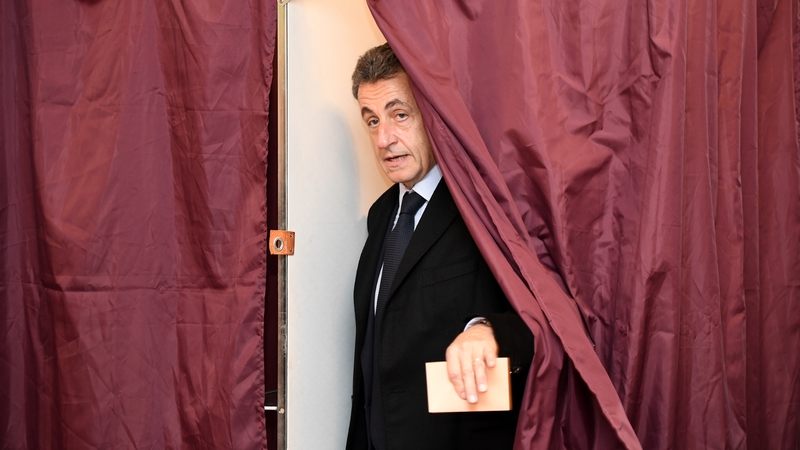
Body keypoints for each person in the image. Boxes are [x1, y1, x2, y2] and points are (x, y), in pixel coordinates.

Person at [345, 43, 535, 450]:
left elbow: (543, 321)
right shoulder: (381, 215)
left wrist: (487, 332)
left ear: (431, 115)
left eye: (400, 115)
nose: (384, 139)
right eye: (372, 121)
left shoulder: (483, 208)